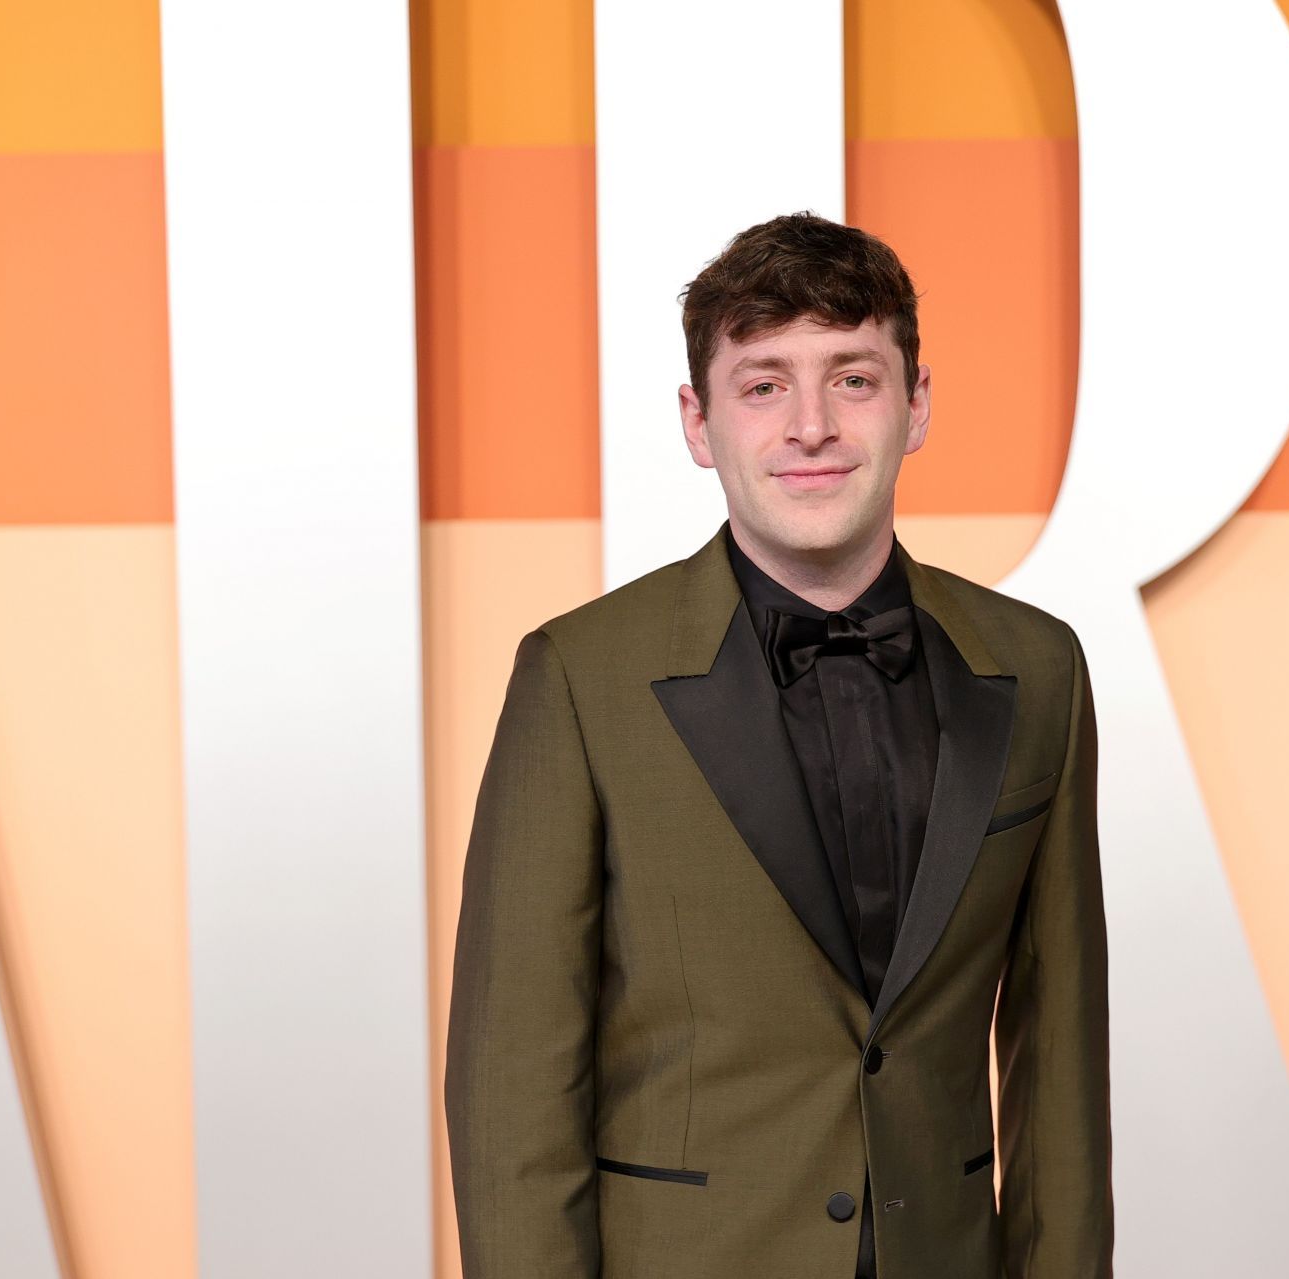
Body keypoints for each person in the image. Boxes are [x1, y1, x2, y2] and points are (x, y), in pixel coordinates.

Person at [445, 211, 1112, 1277]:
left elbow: (1063, 1063)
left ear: (917, 403)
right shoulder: (580, 678)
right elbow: (511, 1090)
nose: (811, 426)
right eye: (763, 385)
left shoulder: (1038, 670)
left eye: (852, 377)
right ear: (698, 423)